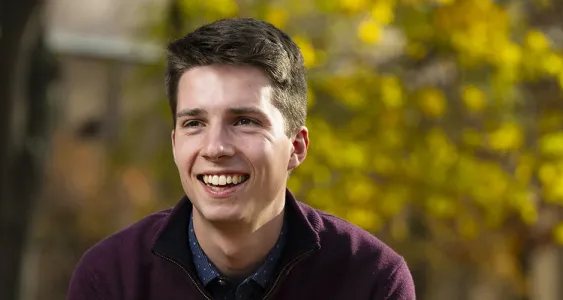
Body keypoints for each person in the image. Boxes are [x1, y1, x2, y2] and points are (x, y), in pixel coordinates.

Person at [66, 17, 415, 300]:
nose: (215, 148)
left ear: (297, 147)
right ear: (175, 144)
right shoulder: (110, 279)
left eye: (245, 121)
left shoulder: (373, 282)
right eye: (194, 123)